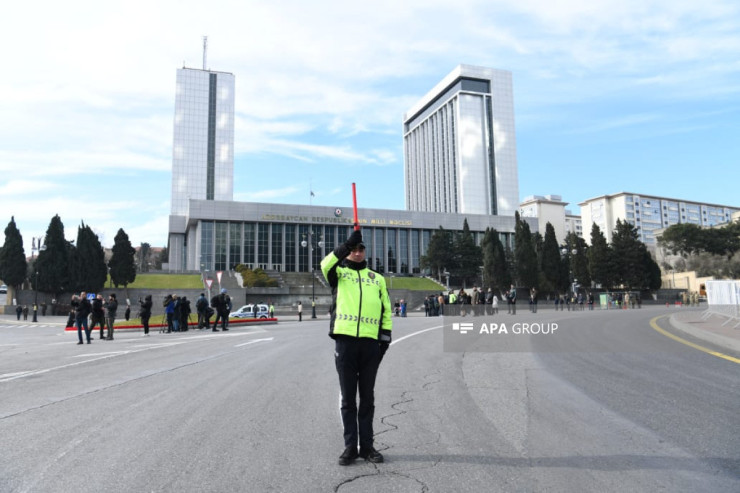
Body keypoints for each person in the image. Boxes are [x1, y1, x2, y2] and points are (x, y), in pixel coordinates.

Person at [320, 229, 392, 466]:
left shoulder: (377, 279)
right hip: (346, 343)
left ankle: (368, 447)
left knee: (368, 399)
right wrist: (344, 245)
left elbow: (386, 311)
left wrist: (384, 341)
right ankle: (351, 447)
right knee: (348, 399)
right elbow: (324, 265)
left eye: (361, 249)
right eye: (354, 249)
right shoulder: (338, 273)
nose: (358, 253)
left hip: (371, 345)